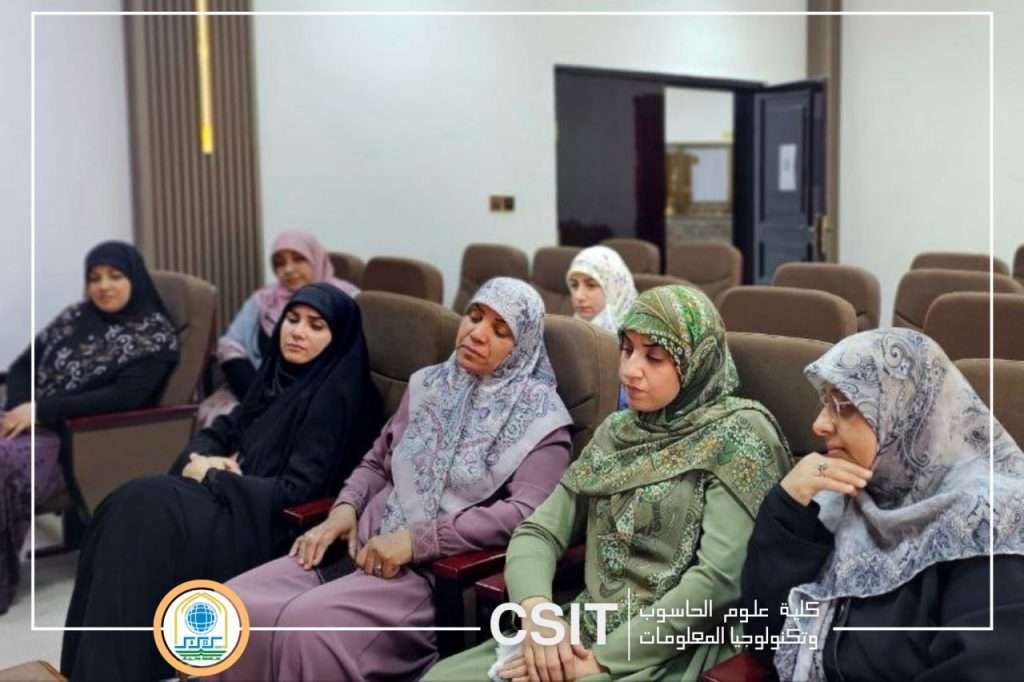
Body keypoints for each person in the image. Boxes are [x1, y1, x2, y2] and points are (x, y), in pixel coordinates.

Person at [212, 277, 574, 682]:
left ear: (522, 347)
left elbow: (525, 514)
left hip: (425, 577)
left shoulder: (542, 420)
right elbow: (377, 463)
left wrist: (418, 541)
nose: (477, 333)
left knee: (305, 630)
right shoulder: (430, 384)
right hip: (356, 548)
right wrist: (345, 508)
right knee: (229, 606)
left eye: (500, 329)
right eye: (474, 316)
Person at [427, 285, 790, 681]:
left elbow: (718, 583)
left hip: (673, 647)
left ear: (696, 363)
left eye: (654, 357)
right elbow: (540, 531)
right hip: (586, 628)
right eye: (627, 349)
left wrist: (600, 661)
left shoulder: (738, 436)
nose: (630, 370)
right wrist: (538, 615)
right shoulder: (618, 432)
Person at [60, 283, 383, 681]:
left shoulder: (338, 396)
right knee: (123, 507)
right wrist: (203, 459)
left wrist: (213, 476)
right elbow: (225, 428)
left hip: (270, 526)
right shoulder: (278, 375)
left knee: (140, 512)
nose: (298, 332)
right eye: (293, 319)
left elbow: (297, 492)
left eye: (316, 326)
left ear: (339, 338)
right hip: (234, 498)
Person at [740, 328, 1024, 682]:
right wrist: (787, 507)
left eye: (844, 404)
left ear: (905, 411)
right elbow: (764, 637)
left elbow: (983, 670)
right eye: (824, 402)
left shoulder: (990, 521)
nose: (819, 424)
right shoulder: (841, 494)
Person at [0, 241, 179, 615]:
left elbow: (123, 398)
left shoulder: (154, 338)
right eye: (94, 278)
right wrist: (18, 408)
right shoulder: (75, 316)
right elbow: (22, 365)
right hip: (28, 418)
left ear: (135, 279)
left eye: (115, 276)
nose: (103, 286)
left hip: (77, 439)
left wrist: (41, 412)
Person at [197, 229, 359, 426]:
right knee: (226, 422)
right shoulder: (264, 300)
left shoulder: (347, 300)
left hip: (316, 399)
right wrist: (254, 394)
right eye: (280, 263)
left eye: (298, 259)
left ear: (316, 258)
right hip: (258, 393)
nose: (288, 269)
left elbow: (351, 360)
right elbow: (230, 344)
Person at [565, 246, 637, 336]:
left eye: (591, 285)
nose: (579, 296)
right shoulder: (569, 329)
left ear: (614, 288)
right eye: (574, 285)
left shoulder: (641, 336)